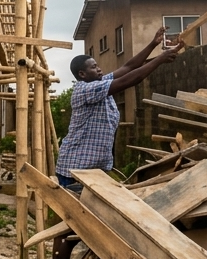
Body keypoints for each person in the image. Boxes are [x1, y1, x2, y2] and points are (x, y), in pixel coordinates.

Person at [56, 27, 183, 189]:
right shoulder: (85, 89)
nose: (99, 69)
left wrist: (153, 44)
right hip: (75, 170)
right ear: (82, 74)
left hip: (95, 169)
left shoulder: (101, 83)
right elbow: (129, 80)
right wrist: (160, 60)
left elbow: (129, 68)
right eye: (94, 67)